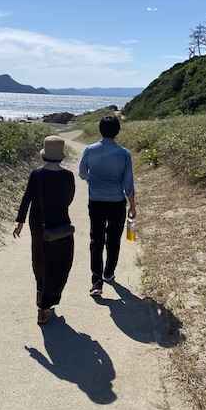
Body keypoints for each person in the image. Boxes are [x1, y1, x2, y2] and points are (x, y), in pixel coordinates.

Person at [13, 135, 75, 324]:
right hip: (60, 222)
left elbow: (27, 198)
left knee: (39, 258)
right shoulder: (67, 176)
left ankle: (40, 294)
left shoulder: (36, 175)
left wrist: (20, 221)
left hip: (38, 222)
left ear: (44, 155)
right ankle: (44, 308)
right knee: (58, 262)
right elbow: (69, 199)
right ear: (61, 156)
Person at [79, 114, 136, 296]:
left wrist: (91, 180)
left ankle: (97, 281)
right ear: (117, 131)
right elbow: (129, 184)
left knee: (96, 241)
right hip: (116, 203)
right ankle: (109, 273)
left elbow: (82, 172)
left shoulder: (90, 150)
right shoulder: (124, 153)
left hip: (96, 202)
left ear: (100, 130)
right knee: (113, 240)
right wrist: (132, 206)